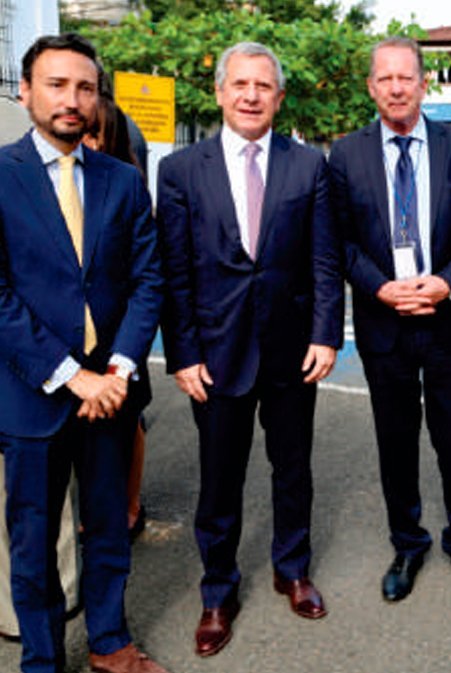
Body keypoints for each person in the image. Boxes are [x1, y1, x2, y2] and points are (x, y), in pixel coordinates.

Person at [155, 41, 343, 657]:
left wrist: (325, 334)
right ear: (219, 92)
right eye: (240, 84)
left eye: (264, 86)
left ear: (279, 96)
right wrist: (182, 353)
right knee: (219, 480)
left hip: (293, 351)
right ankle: (218, 590)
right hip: (215, 351)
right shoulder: (181, 171)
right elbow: (175, 271)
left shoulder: (309, 165)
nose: (251, 95)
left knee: (294, 470)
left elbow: (324, 258)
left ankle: (292, 569)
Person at [0, 33, 166, 673]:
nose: (73, 100)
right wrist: (75, 378)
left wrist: (119, 370)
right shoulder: (3, 177)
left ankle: (110, 643)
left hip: (111, 395)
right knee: (35, 541)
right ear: (27, 92)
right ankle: (42, 660)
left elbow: (148, 280)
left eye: (86, 88)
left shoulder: (122, 181)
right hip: (33, 395)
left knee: (108, 530)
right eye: (58, 85)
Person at [327, 37, 451, 603]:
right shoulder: (345, 155)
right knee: (395, 441)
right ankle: (407, 542)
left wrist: (446, 281)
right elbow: (340, 241)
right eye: (385, 79)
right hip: (384, 323)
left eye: (407, 77)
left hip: (448, 319)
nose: (396, 87)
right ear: (371, 87)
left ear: (424, 83)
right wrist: (380, 288)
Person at [0, 93, 81, 643]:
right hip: (29, 373)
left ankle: (85, 634)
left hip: (78, 378)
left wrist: (96, 371)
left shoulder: (109, 174)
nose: (70, 98)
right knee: (28, 532)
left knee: (47, 530)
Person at [81, 75, 149, 541]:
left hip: (121, 333)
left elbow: (147, 277)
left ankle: (128, 502)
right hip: (68, 343)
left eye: (93, 133)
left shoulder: (126, 186)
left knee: (128, 418)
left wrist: (122, 359)